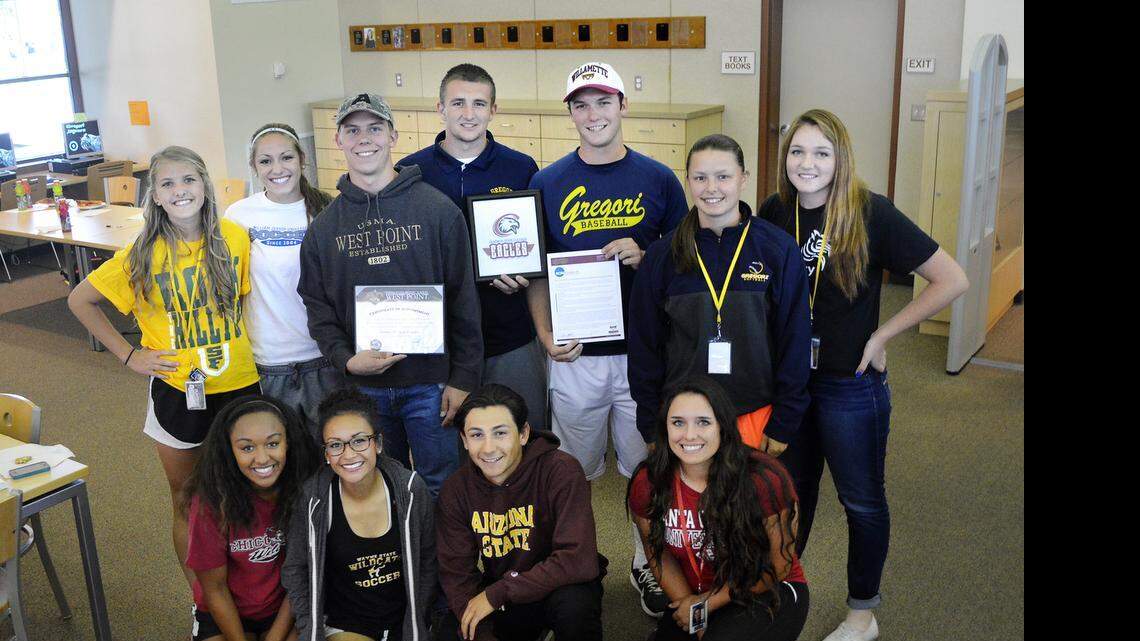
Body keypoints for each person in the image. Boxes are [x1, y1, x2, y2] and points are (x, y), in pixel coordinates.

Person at [758, 108, 969, 641]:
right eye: (798, 152)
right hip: (790, 387)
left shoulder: (870, 212)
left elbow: (951, 279)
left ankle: (861, 615)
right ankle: (782, 592)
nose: (807, 164)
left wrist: (881, 336)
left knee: (861, 501)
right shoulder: (774, 211)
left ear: (840, 159)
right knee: (790, 494)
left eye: (821, 153)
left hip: (850, 385)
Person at [525, 60, 688, 617]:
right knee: (573, 471)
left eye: (602, 102)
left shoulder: (659, 179)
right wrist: (546, 336)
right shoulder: (547, 182)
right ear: (570, 113)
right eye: (580, 104)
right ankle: (578, 564)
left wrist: (648, 258)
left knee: (648, 469)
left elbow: (687, 269)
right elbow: (538, 271)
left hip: (644, 357)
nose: (593, 114)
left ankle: (648, 564)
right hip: (576, 356)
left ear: (623, 105)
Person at [67, 145, 260, 588]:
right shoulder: (141, 253)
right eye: (167, 183)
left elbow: (245, 304)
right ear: (153, 195)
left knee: (249, 493)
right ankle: (202, 597)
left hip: (239, 384)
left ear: (204, 187)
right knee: (189, 498)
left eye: (188, 180)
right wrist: (129, 355)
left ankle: (252, 587)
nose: (179, 190)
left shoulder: (234, 237)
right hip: (177, 390)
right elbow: (80, 300)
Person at [297, 93, 483, 496]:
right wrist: (347, 360)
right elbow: (317, 307)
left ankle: (441, 561)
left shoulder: (437, 211)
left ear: (393, 136)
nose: (365, 139)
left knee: (442, 485)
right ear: (339, 140)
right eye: (353, 130)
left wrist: (463, 377)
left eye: (375, 128)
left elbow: (463, 298)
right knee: (382, 486)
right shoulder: (324, 230)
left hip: (431, 385)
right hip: (364, 390)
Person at [628, 133, 810, 455]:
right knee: (693, 502)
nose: (711, 188)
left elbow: (794, 341)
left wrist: (785, 421)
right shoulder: (661, 256)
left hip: (755, 412)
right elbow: (645, 346)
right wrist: (649, 422)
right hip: (685, 420)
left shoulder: (777, 250)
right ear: (688, 181)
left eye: (723, 176)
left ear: (743, 179)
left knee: (749, 505)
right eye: (700, 178)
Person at [396, 64, 547, 432]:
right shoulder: (411, 171)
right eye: (458, 102)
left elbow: (533, 242)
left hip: (508, 329)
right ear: (440, 108)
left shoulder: (520, 167)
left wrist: (523, 273)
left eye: (479, 104)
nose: (468, 114)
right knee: (455, 441)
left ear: (493, 110)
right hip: (439, 338)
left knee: (522, 430)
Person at [627, 376, 809, 640]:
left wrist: (706, 605)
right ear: (664, 427)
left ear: (723, 426)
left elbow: (776, 567)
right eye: (678, 422)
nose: (689, 435)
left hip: (766, 589)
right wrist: (691, 607)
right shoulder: (649, 482)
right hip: (696, 590)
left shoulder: (764, 480)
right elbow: (658, 554)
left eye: (703, 422)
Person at [435, 384, 605, 641]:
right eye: (477, 435)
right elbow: (457, 575)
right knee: (452, 631)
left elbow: (576, 559)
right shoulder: (456, 490)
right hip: (505, 590)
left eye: (500, 433)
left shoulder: (561, 471)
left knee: (575, 611)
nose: (489, 448)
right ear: (464, 440)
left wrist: (498, 593)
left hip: (561, 584)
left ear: (523, 433)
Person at [281, 386, 436, 641]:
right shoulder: (314, 498)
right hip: (346, 625)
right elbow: (295, 569)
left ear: (379, 443)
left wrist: (419, 619)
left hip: (404, 624)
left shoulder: (410, 489)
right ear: (326, 454)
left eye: (359, 440)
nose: (349, 453)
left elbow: (428, 561)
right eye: (335, 445)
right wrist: (310, 626)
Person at [225, 123, 340, 443]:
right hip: (267, 362)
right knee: (279, 463)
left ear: (302, 159)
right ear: (254, 167)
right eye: (265, 161)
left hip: (324, 358)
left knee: (329, 456)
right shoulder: (238, 215)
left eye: (286, 157)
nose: (277, 169)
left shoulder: (328, 211)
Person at [182, 394, 319, 641]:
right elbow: (215, 589)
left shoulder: (303, 491)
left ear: (288, 442)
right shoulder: (211, 502)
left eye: (273, 443)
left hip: (284, 609)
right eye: (247, 447)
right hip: (224, 611)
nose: (263, 458)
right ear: (229, 450)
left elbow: (303, 575)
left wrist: (274, 638)